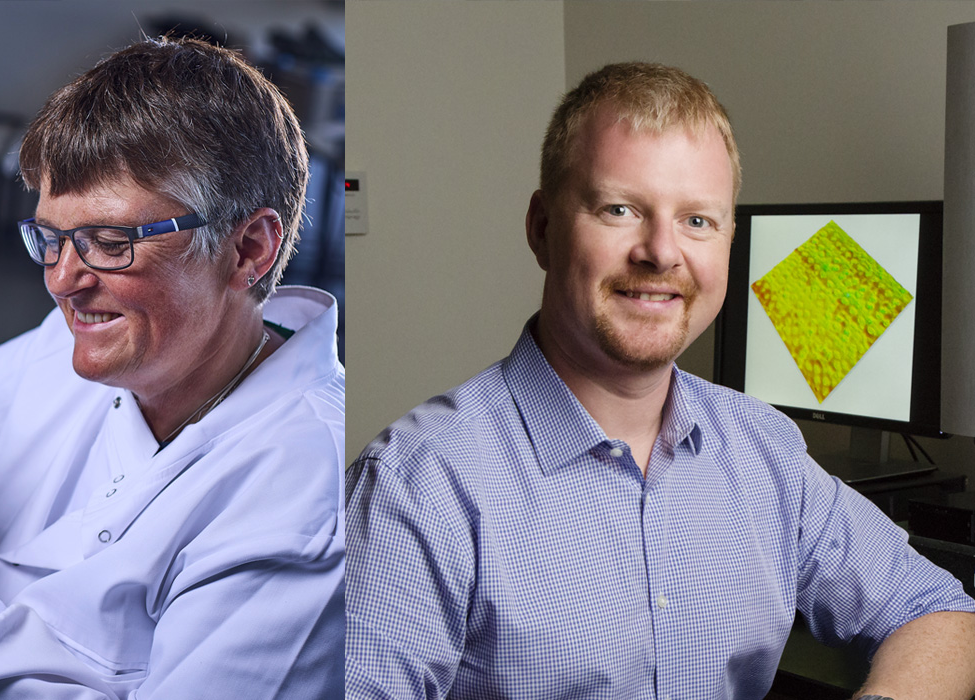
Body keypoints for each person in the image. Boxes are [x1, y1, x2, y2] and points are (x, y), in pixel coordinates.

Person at [345, 62, 975, 699]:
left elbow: (940, 612)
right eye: (620, 209)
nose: (662, 253)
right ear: (542, 228)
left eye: (697, 220)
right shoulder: (419, 486)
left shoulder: (762, 452)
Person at [0, 36, 342, 699]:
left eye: (109, 243)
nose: (64, 281)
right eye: (50, 239)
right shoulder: (100, 345)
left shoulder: (308, 497)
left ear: (248, 247)